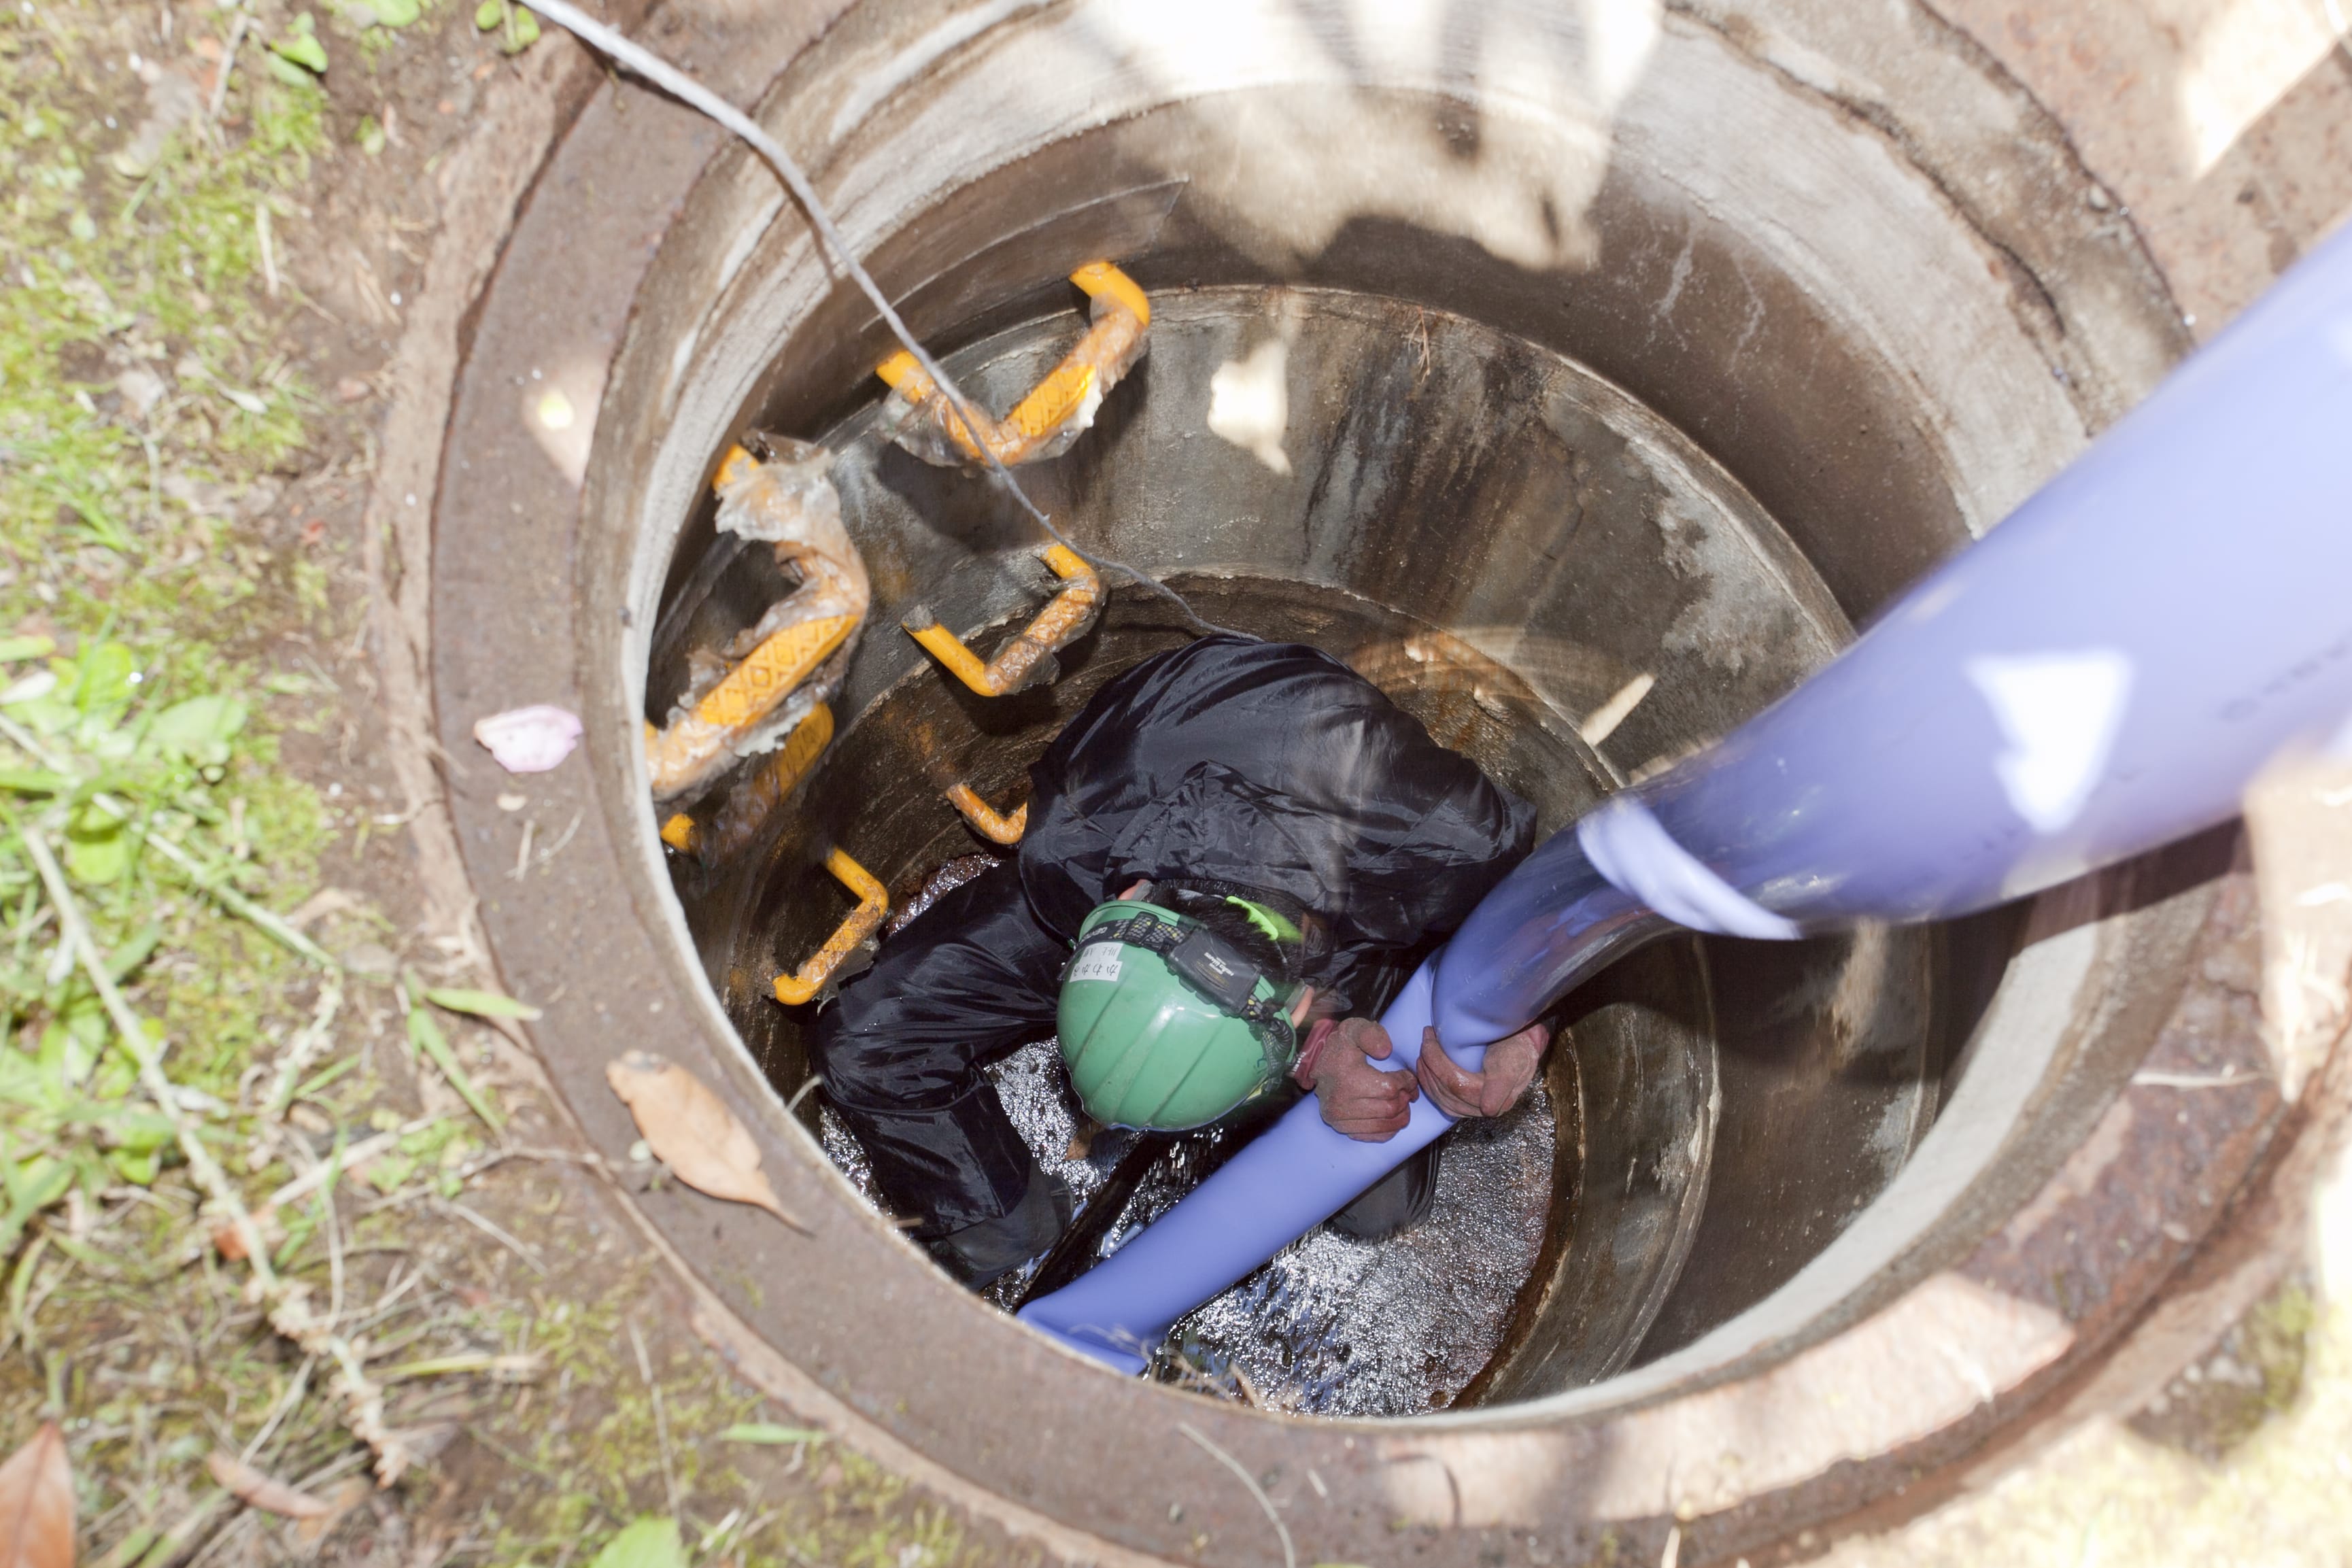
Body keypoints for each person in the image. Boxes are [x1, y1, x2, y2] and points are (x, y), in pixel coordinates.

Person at [810, 634, 1551, 1286]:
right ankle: (1000, 1222)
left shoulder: (1448, 839)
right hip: (1129, 865)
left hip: (1349, 929)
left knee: (1374, 1198)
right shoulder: (1076, 832)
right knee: (871, 1037)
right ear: (1125, 902)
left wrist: (1525, 1027)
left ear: (1301, 1011)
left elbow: (1560, 906)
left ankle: (1279, 1094)